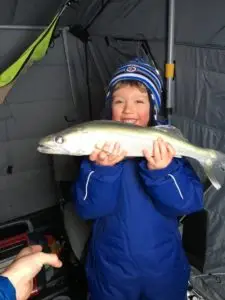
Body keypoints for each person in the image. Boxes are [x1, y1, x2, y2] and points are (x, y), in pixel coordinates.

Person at [72, 58, 204, 300]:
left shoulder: (168, 155)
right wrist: (101, 171)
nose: (128, 110)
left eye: (139, 101)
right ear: (109, 107)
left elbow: (190, 204)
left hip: (164, 269)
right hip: (111, 270)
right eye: (119, 101)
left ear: (153, 107)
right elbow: (87, 210)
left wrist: (164, 172)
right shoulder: (95, 158)